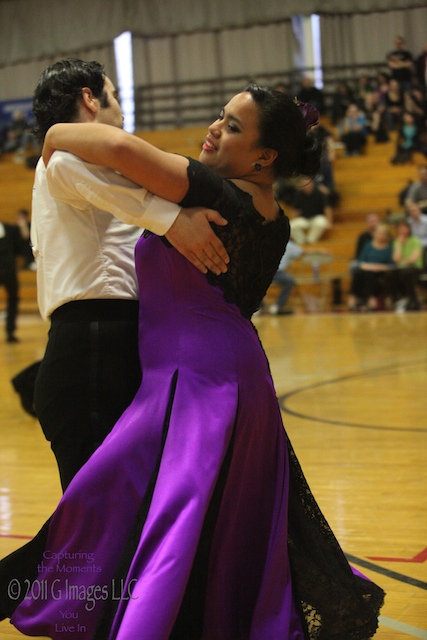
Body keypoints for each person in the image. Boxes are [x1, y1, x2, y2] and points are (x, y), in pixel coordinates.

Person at [0, 85, 384, 639]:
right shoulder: (271, 214)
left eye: (231, 126)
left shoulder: (214, 191)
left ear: (264, 156)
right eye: (220, 116)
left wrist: (54, 132)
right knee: (209, 518)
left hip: (194, 380)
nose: (214, 127)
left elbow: (118, 152)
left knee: (149, 508)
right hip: (234, 376)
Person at [27, 58, 230, 493]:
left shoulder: (74, 160)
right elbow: (68, 162)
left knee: (120, 519)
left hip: (105, 344)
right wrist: (172, 221)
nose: (120, 107)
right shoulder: (62, 159)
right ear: (89, 99)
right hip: (93, 346)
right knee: (100, 527)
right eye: (114, 95)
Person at [348, 222, 394, 311]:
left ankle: (371, 300)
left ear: (387, 235)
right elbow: (361, 261)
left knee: (371, 274)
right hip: (367, 269)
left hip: (381, 271)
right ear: (374, 234)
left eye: (383, 233)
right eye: (379, 233)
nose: (380, 235)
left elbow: (391, 264)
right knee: (358, 272)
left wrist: (378, 267)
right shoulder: (368, 246)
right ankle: (352, 298)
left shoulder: (389, 248)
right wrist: (369, 266)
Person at [391, 219, 423, 311]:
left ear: (409, 229)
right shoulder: (396, 242)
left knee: (406, 272)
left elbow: (414, 258)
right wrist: (400, 244)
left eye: (404, 227)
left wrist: (403, 261)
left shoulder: (415, 240)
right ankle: (398, 299)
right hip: (401, 268)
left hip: (415, 267)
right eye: (400, 228)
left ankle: (412, 299)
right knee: (390, 274)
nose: (402, 230)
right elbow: (396, 259)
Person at [289, 177, 333, 244]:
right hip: (304, 218)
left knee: (321, 223)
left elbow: (327, 208)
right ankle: (301, 241)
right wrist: (293, 217)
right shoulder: (299, 195)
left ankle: (311, 240)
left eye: (307, 184)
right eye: (304, 184)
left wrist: (329, 221)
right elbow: (295, 209)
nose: (306, 186)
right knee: (291, 226)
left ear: (312, 184)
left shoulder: (319, 193)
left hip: (317, 217)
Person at [268, 239, 303, 314]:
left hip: (278, 273)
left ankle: (278, 306)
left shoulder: (288, 245)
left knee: (289, 280)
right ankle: (258, 307)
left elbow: (300, 253)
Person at [0, 220, 21, 342]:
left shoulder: (9, 229)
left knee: (13, 299)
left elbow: (18, 248)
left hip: (9, 271)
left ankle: (10, 332)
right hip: (8, 270)